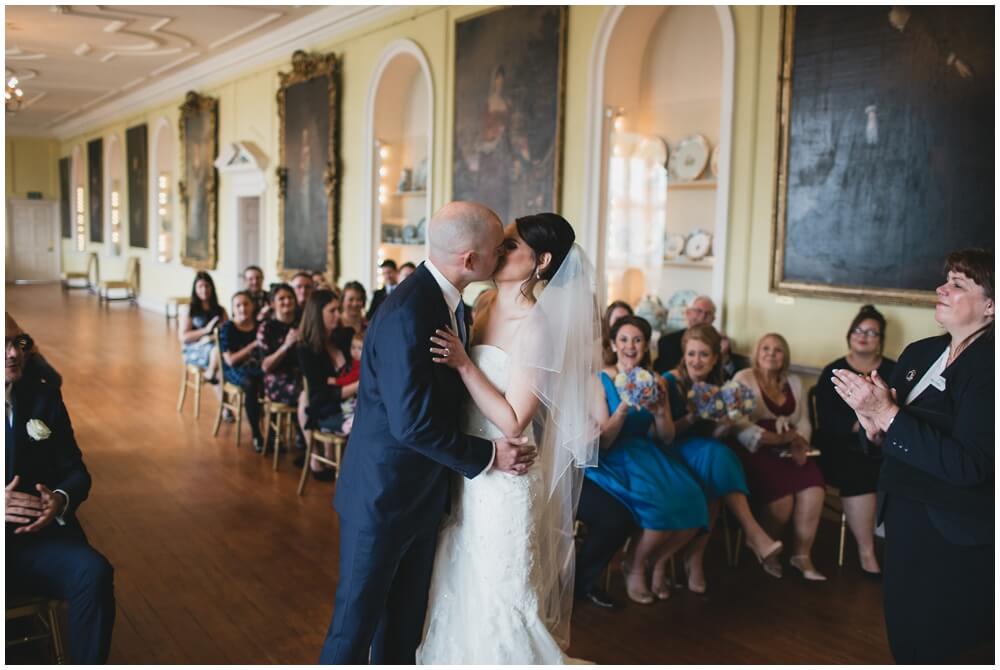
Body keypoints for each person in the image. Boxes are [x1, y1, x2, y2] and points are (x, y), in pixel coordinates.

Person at [319, 202, 535, 664]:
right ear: (470, 260)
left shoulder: (451, 304)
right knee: (352, 632)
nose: (502, 256)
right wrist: (489, 455)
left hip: (421, 496)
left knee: (401, 629)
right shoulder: (409, 311)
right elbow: (412, 423)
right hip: (382, 498)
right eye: (497, 249)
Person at [419, 213, 601, 663]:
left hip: (505, 473)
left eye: (511, 246)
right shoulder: (480, 305)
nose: (498, 251)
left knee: (499, 588)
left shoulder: (536, 325)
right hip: (468, 462)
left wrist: (464, 363)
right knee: (461, 574)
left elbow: (516, 418)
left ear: (541, 261)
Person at [832, 249, 993, 664]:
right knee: (903, 630)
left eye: (958, 284)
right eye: (946, 279)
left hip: (956, 529)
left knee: (942, 641)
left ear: (991, 305)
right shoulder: (919, 354)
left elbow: (970, 464)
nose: (941, 287)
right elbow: (898, 434)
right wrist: (873, 425)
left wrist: (886, 413)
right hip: (903, 511)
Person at [5, 323, 115, 663]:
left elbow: (76, 472)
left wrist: (60, 498)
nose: (14, 353)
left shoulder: (43, 397)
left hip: (39, 543)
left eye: (18, 343)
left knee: (93, 572)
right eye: (3, 344)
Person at [587, 315, 708, 604]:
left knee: (694, 499)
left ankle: (656, 561)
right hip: (615, 457)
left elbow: (665, 437)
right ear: (614, 345)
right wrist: (625, 407)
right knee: (659, 508)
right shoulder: (600, 379)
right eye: (624, 340)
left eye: (637, 340)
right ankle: (635, 566)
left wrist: (660, 412)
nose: (630, 346)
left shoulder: (654, 380)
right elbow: (604, 439)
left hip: (648, 452)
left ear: (645, 346)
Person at [663, 324, 783, 591]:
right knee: (720, 457)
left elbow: (713, 434)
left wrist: (726, 424)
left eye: (704, 354)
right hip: (672, 451)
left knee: (715, 484)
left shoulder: (718, 387)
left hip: (705, 454)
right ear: (683, 354)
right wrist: (693, 415)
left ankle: (695, 559)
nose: (696, 361)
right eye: (691, 354)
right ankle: (753, 534)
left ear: (715, 357)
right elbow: (664, 435)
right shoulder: (670, 381)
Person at [733, 334, 825, 580]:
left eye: (778, 350)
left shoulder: (794, 382)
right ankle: (766, 546)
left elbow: (804, 421)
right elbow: (737, 422)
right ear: (756, 352)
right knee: (782, 503)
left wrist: (800, 443)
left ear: (785, 356)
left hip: (789, 448)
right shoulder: (743, 378)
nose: (771, 353)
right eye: (765, 348)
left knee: (814, 490)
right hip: (755, 449)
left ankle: (801, 555)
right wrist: (770, 439)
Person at [815, 305, 896, 577]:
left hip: (887, 444)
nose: (863, 336)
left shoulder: (894, 370)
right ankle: (867, 552)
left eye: (872, 332)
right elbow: (829, 422)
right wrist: (867, 422)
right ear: (850, 334)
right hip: (841, 448)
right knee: (859, 468)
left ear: (880, 339)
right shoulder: (834, 371)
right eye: (859, 330)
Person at [296, 290, 359, 481]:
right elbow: (321, 394)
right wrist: (359, 385)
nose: (338, 315)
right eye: (332, 311)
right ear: (317, 313)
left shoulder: (344, 337)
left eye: (338, 309)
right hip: (328, 407)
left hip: (350, 401)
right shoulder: (306, 349)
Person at [219, 291, 265, 452]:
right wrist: (253, 346)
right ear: (232, 309)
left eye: (246, 304)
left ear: (252, 306)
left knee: (273, 378)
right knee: (250, 384)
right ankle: (256, 433)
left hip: (259, 367)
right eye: (238, 305)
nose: (242, 308)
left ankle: (274, 433)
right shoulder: (228, 328)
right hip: (235, 370)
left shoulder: (260, 326)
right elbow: (231, 360)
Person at [257, 284, 301, 409]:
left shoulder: (302, 323)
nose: (287, 301)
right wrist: (286, 345)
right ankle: (302, 428)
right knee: (307, 395)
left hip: (301, 376)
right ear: (272, 304)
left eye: (290, 297)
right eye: (281, 299)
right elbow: (265, 366)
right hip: (277, 380)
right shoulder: (266, 328)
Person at [180, 272, 228, 387]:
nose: (204, 290)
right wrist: (206, 330)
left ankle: (222, 403)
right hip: (194, 349)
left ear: (212, 288)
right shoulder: (190, 310)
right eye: (200, 287)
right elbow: (183, 337)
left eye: (207, 286)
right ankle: (210, 373)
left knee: (222, 365)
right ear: (195, 289)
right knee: (219, 360)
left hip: (216, 347)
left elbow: (227, 330)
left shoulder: (220, 310)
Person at [653, 295, 716, 373]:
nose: (703, 316)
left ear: (713, 320)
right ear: (688, 313)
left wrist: (725, 356)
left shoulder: (719, 342)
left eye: (708, 313)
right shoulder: (667, 342)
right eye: (698, 311)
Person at [602, 300, 633, 366]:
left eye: (626, 319)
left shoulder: (636, 345)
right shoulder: (598, 348)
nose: (622, 324)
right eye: (618, 320)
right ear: (608, 321)